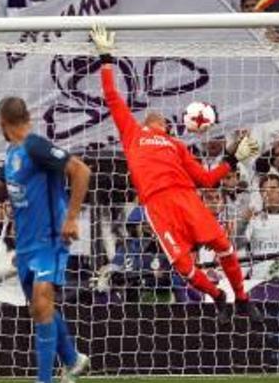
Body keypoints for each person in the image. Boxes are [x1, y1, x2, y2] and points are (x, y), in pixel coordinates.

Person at [91, 24, 263, 323]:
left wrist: (232, 160)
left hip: (186, 198)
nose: (163, 122)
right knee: (183, 267)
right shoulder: (132, 133)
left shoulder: (177, 145)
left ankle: (243, 299)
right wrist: (106, 58)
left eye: (167, 123)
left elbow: (207, 181)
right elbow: (112, 97)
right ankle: (218, 296)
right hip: (157, 206)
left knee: (223, 245)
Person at [0, 96, 92, 383]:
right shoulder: (12, 152)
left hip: (49, 238)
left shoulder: (36, 145)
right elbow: (4, 190)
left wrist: (71, 218)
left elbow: (81, 171)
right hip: (26, 243)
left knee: (42, 302)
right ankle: (73, 358)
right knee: (41, 309)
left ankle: (44, 380)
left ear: (2, 123)